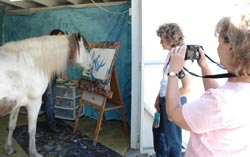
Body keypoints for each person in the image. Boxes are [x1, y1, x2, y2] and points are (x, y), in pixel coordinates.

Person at [166, 13, 250, 156]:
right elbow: (220, 105)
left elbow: (174, 114)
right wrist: (204, 66)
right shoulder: (239, 91)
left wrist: (173, 71)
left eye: (220, 42)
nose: (218, 47)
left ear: (231, 48)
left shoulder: (220, 101)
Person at [153, 23, 190, 157]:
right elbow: (166, 81)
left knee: (172, 140)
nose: (160, 42)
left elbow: (187, 88)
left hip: (174, 102)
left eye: (162, 38)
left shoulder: (182, 57)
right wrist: (159, 97)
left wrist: (169, 100)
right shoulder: (171, 55)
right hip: (165, 99)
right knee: (159, 135)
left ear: (170, 39)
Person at [43, 29, 65, 133]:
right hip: (46, 77)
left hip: (53, 77)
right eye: (59, 36)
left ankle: (51, 120)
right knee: (49, 101)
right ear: (53, 36)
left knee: (52, 100)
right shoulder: (47, 46)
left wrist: (61, 74)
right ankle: (51, 124)